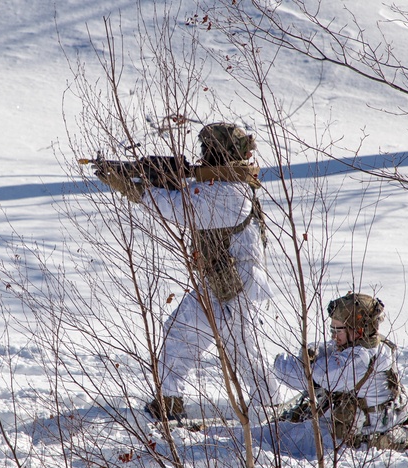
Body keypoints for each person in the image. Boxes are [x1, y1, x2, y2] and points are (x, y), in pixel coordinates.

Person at [97, 122, 280, 423]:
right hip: (218, 280)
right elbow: (190, 193)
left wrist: (135, 188)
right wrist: (151, 174)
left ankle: (272, 412)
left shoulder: (231, 193)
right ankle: (168, 401)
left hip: (239, 288)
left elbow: (180, 208)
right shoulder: (222, 184)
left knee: (246, 354)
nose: (202, 156)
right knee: (179, 335)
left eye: (208, 151)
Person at [272, 292, 408, 450]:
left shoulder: (358, 361)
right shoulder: (373, 345)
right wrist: (315, 352)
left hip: (366, 443)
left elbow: (302, 375)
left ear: (357, 331)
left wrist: (276, 362)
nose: (333, 336)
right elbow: (330, 349)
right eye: (332, 330)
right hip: (380, 429)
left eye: (338, 331)